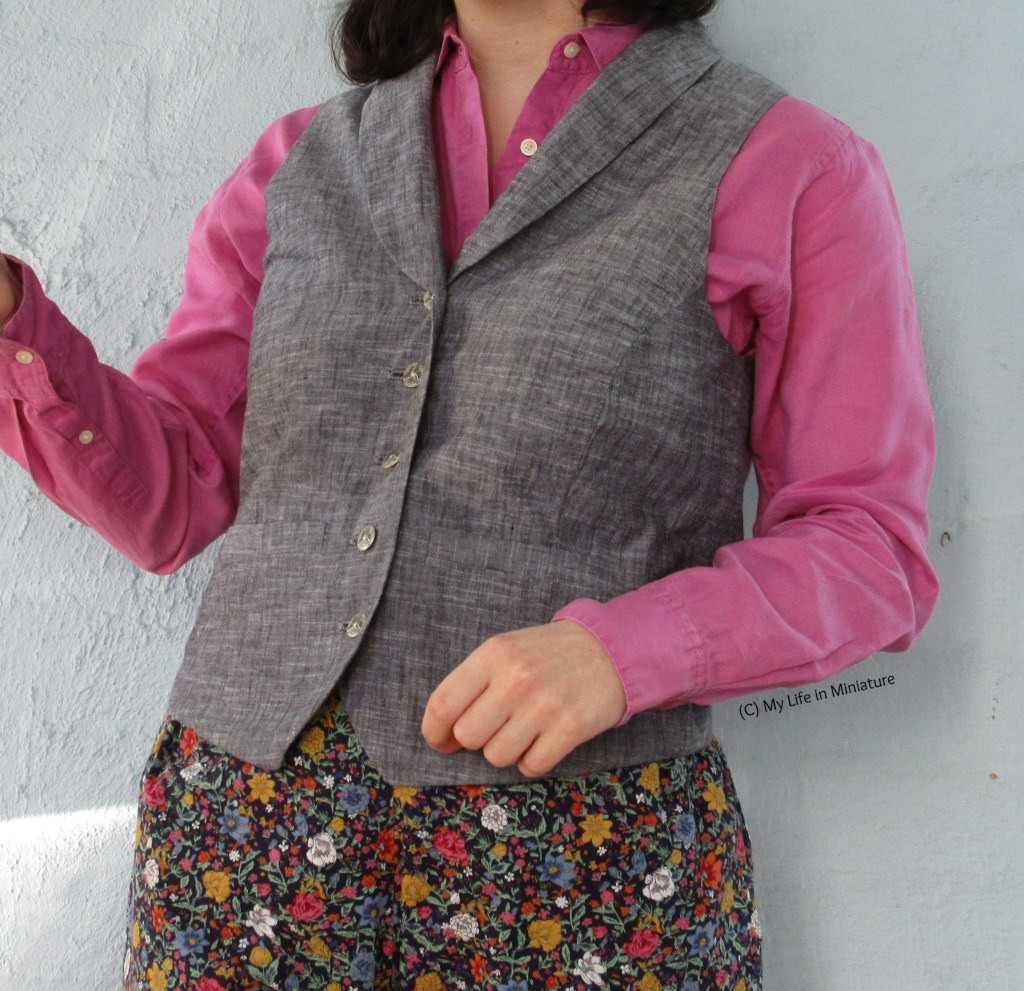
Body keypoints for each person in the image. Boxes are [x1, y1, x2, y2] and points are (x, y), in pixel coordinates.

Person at [0, 0, 939, 988]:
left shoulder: (787, 163)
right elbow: (173, 500)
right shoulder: (298, 162)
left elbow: (867, 544)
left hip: (580, 865)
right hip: (239, 842)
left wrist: (625, 652)